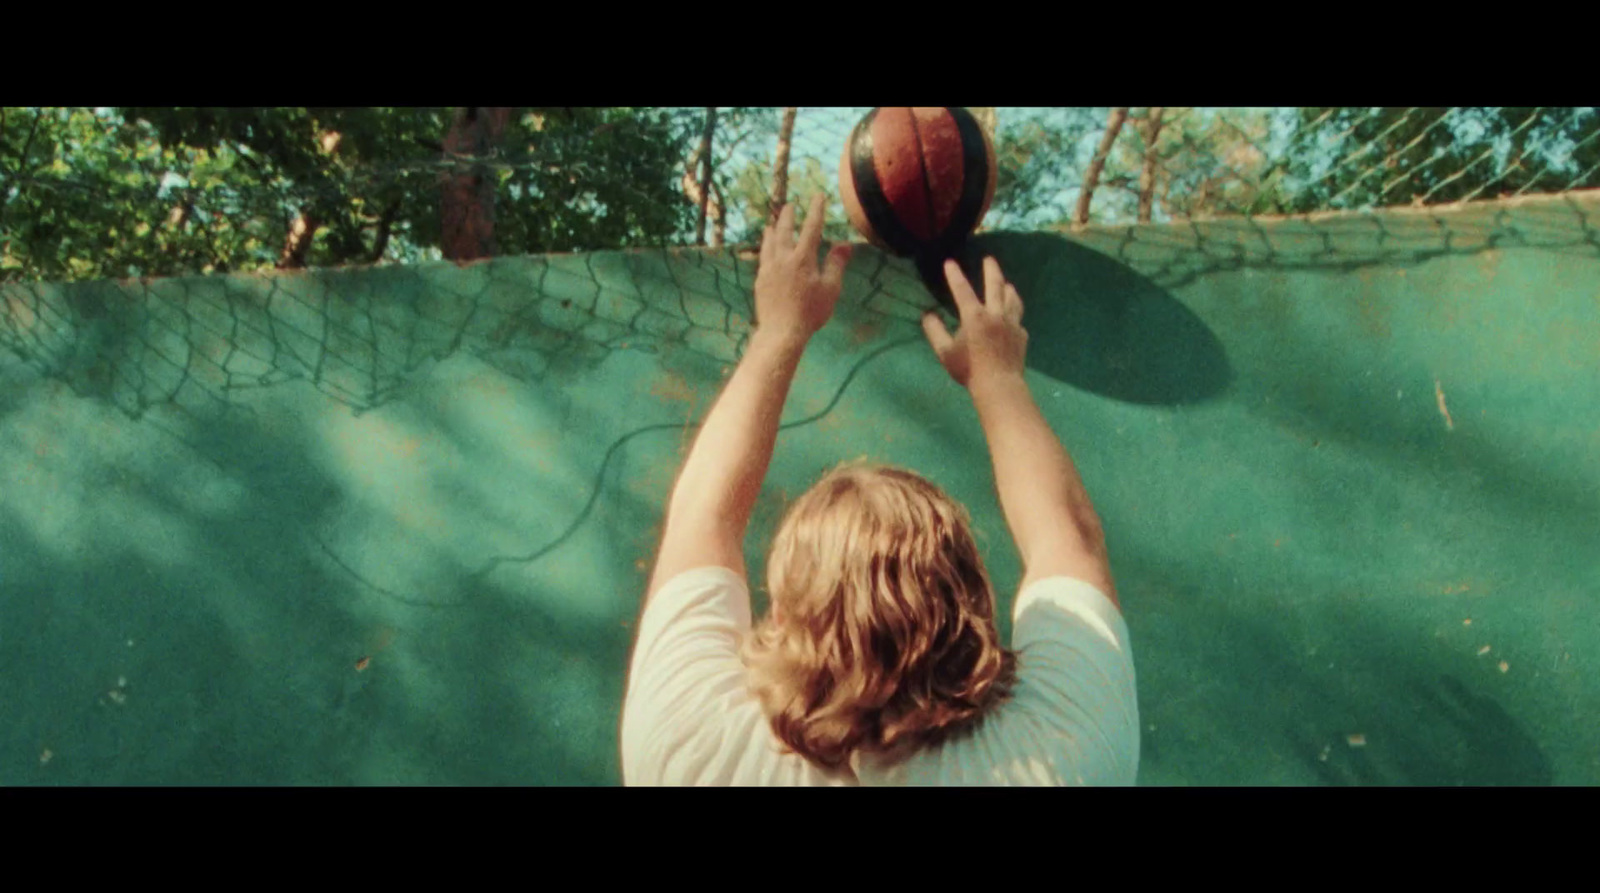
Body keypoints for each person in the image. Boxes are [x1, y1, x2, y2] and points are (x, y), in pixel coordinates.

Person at [619, 195, 1138, 785]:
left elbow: (699, 518)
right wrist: (997, 376)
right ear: (969, 610)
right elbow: (1070, 538)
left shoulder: (687, 750)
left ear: (786, 614)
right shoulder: (1062, 756)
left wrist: (780, 332)